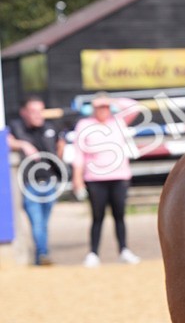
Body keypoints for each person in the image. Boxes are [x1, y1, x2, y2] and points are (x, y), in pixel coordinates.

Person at [70, 93, 141, 267]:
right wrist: (77, 179)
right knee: (97, 216)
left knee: (120, 216)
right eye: (99, 107)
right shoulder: (84, 124)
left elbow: (135, 107)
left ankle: (124, 249)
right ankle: (93, 252)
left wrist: (112, 100)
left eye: (105, 107)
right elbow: (78, 154)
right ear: (93, 108)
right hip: (95, 178)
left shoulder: (117, 121)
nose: (103, 110)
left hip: (119, 176)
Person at [7, 96, 65, 265]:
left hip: (49, 182)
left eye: (40, 111)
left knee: (44, 222)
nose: (37, 115)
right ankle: (42, 254)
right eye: (33, 111)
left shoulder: (50, 128)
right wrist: (23, 145)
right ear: (24, 112)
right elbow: (6, 140)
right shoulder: (17, 128)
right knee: (37, 221)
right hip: (30, 184)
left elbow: (59, 146)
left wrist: (60, 150)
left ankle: (42, 254)